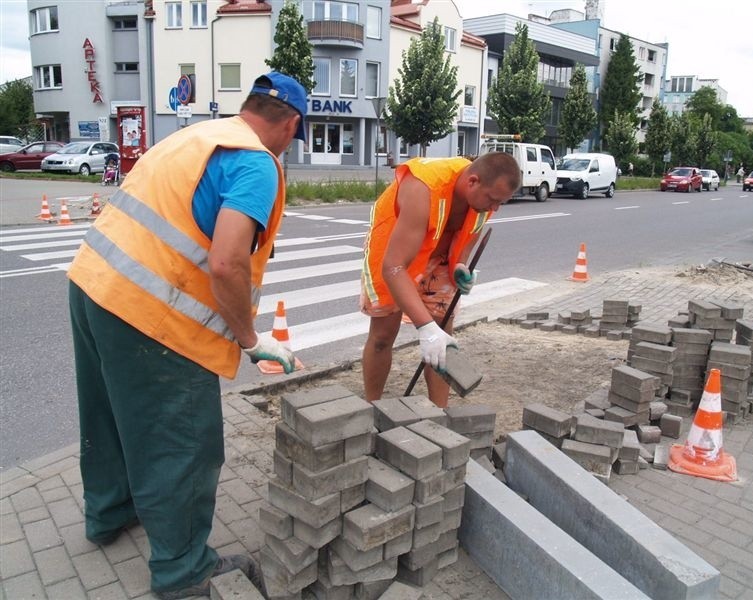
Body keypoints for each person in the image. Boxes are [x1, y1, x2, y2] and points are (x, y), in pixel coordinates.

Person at [67, 71, 307, 600]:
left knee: (108, 415)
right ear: (290, 125)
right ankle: (183, 570)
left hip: (92, 286)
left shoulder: (194, 136)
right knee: (185, 443)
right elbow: (226, 263)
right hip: (152, 318)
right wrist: (250, 339)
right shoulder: (255, 163)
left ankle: (108, 516)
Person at [360, 153, 521, 408]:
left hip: (439, 258)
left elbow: (467, 238)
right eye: (492, 200)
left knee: (441, 341)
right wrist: (425, 328)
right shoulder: (422, 188)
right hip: (396, 253)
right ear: (473, 182)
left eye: (500, 203)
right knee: (382, 336)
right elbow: (394, 266)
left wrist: (460, 267)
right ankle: (371, 407)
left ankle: (440, 415)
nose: (495, 209)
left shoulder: (483, 199)